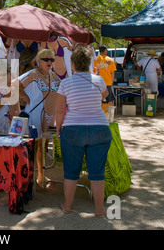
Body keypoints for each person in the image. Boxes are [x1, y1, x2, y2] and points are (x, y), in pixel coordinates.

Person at [55, 46, 112, 217]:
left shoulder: (65, 83)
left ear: (72, 64)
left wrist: (59, 130)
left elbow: (59, 111)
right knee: (97, 173)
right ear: (89, 63)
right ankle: (99, 209)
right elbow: (105, 96)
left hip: (72, 129)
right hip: (100, 128)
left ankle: (67, 205)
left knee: (71, 172)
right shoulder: (99, 80)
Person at [19, 49, 61, 186]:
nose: (49, 62)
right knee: (33, 146)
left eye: (52, 59)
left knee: (42, 147)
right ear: (38, 61)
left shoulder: (54, 77)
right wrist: (25, 97)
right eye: (46, 59)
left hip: (49, 118)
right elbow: (14, 85)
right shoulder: (32, 75)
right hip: (34, 116)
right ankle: (32, 176)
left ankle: (41, 176)